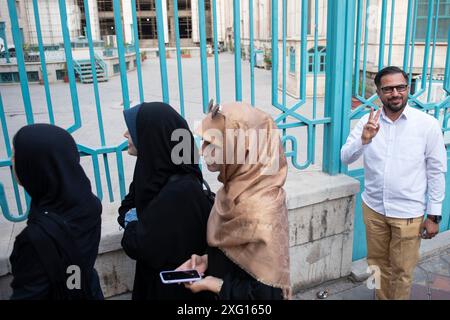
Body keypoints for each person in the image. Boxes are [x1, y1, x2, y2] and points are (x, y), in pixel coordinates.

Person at [341, 66, 447, 300]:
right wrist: (364, 140)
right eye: (387, 89)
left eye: (400, 87)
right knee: (377, 266)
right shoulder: (366, 123)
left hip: (408, 214)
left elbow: (436, 171)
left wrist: (433, 216)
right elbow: (345, 157)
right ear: (378, 93)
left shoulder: (426, 125)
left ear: (408, 89)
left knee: (402, 272)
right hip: (374, 210)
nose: (395, 93)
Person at [177, 101, 291, 300]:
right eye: (204, 142)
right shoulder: (231, 192)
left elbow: (268, 295)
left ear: (244, 149)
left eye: (213, 143)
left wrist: (216, 285)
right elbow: (238, 257)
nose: (203, 151)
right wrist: (206, 261)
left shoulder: (262, 207)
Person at [118, 102, 213, 300]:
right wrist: (134, 220)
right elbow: (125, 209)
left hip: (175, 291)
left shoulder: (181, 191)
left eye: (133, 129)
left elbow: (137, 244)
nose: (125, 134)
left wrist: (134, 220)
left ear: (152, 136)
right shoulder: (150, 170)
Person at [9, 124, 103, 300]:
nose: (11, 160)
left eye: (15, 155)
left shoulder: (35, 238)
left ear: (34, 165)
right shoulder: (88, 204)